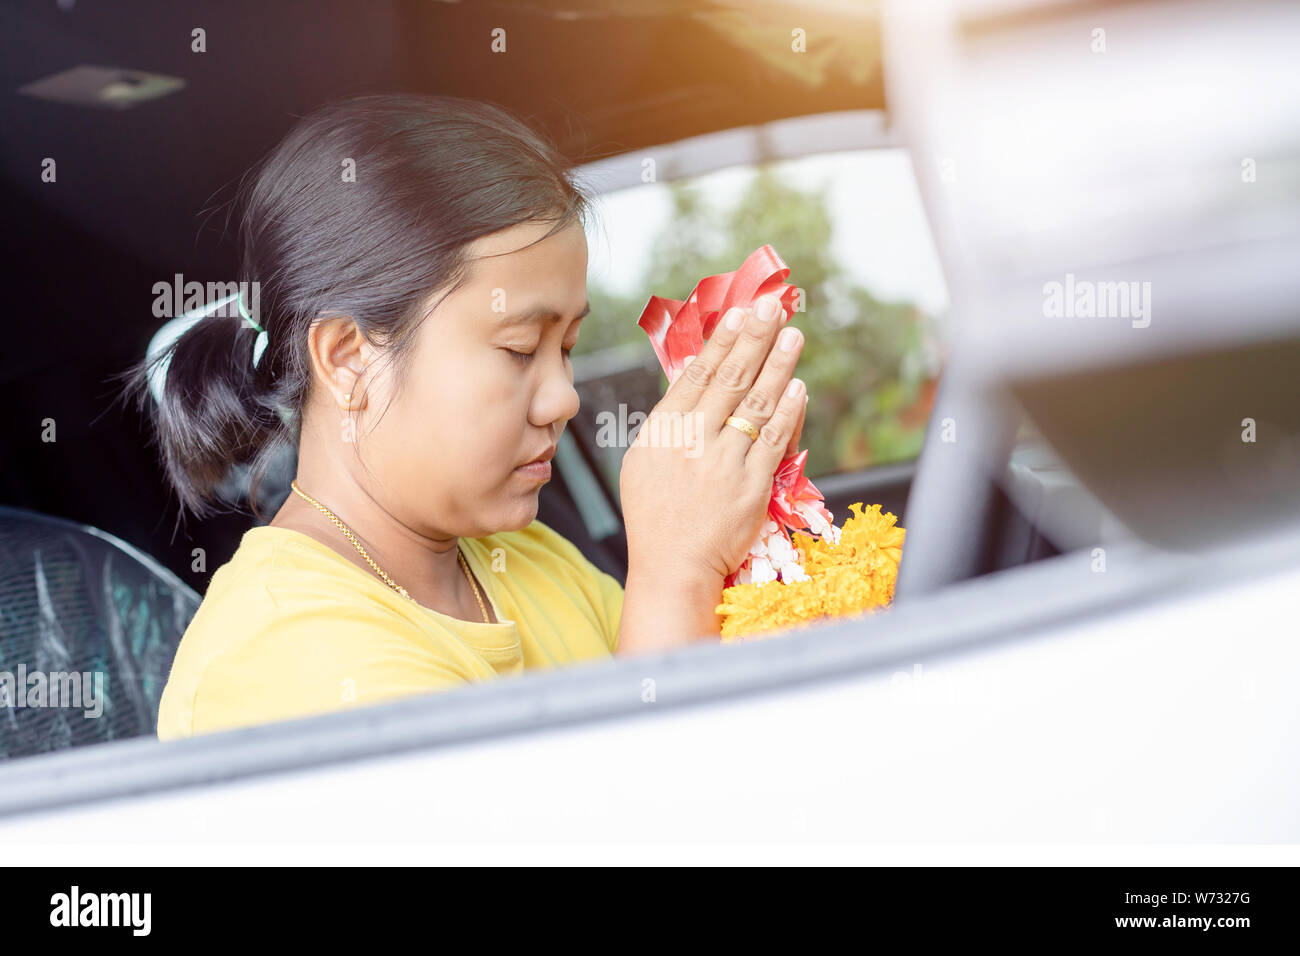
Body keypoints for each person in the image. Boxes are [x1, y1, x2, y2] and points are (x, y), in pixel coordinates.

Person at [123, 93, 807, 739]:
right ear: (349, 357)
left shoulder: (528, 559)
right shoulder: (284, 655)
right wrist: (675, 568)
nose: (564, 397)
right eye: (517, 350)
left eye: (565, 347)